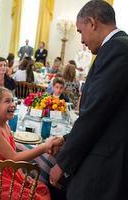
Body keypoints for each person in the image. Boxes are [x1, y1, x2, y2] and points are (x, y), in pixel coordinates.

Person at [49, 1, 128, 199]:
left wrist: (63, 163)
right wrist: (67, 139)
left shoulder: (116, 49)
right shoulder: (118, 47)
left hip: (105, 165)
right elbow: (110, 111)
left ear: (92, 23)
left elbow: (96, 112)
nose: (82, 40)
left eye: (80, 31)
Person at [0, 87, 64, 199]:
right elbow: (14, 158)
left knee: (41, 188)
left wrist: (22, 175)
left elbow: (11, 155)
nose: (13, 104)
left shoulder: (5, 125)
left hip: (5, 174)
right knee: (37, 196)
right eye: (7, 101)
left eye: (13, 101)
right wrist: (43, 147)